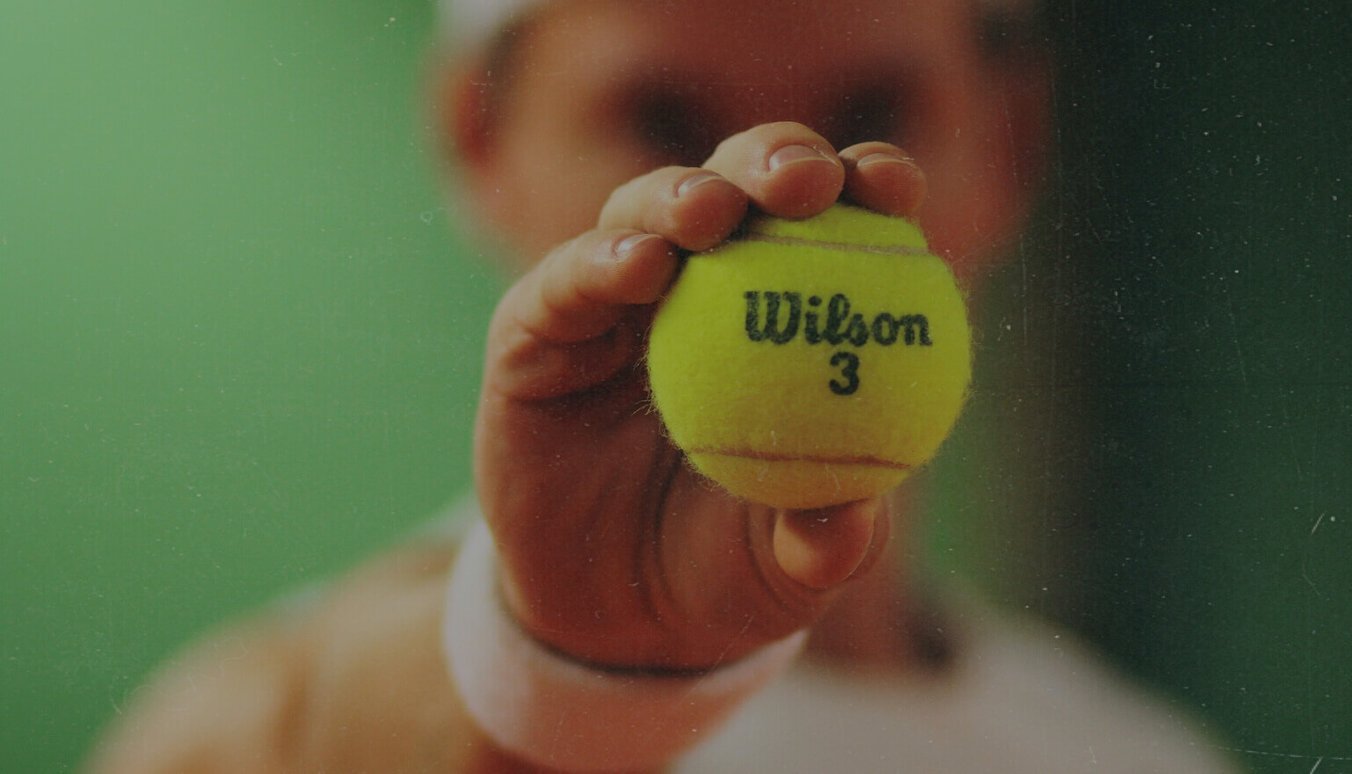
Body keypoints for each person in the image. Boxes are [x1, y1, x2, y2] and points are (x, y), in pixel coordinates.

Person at [89, 1, 1237, 771]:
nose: (773, 206)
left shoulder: (1144, 758)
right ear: (479, 140)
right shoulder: (264, 719)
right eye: (661, 123)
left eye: (874, 120)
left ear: (1011, 143)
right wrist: (560, 676)